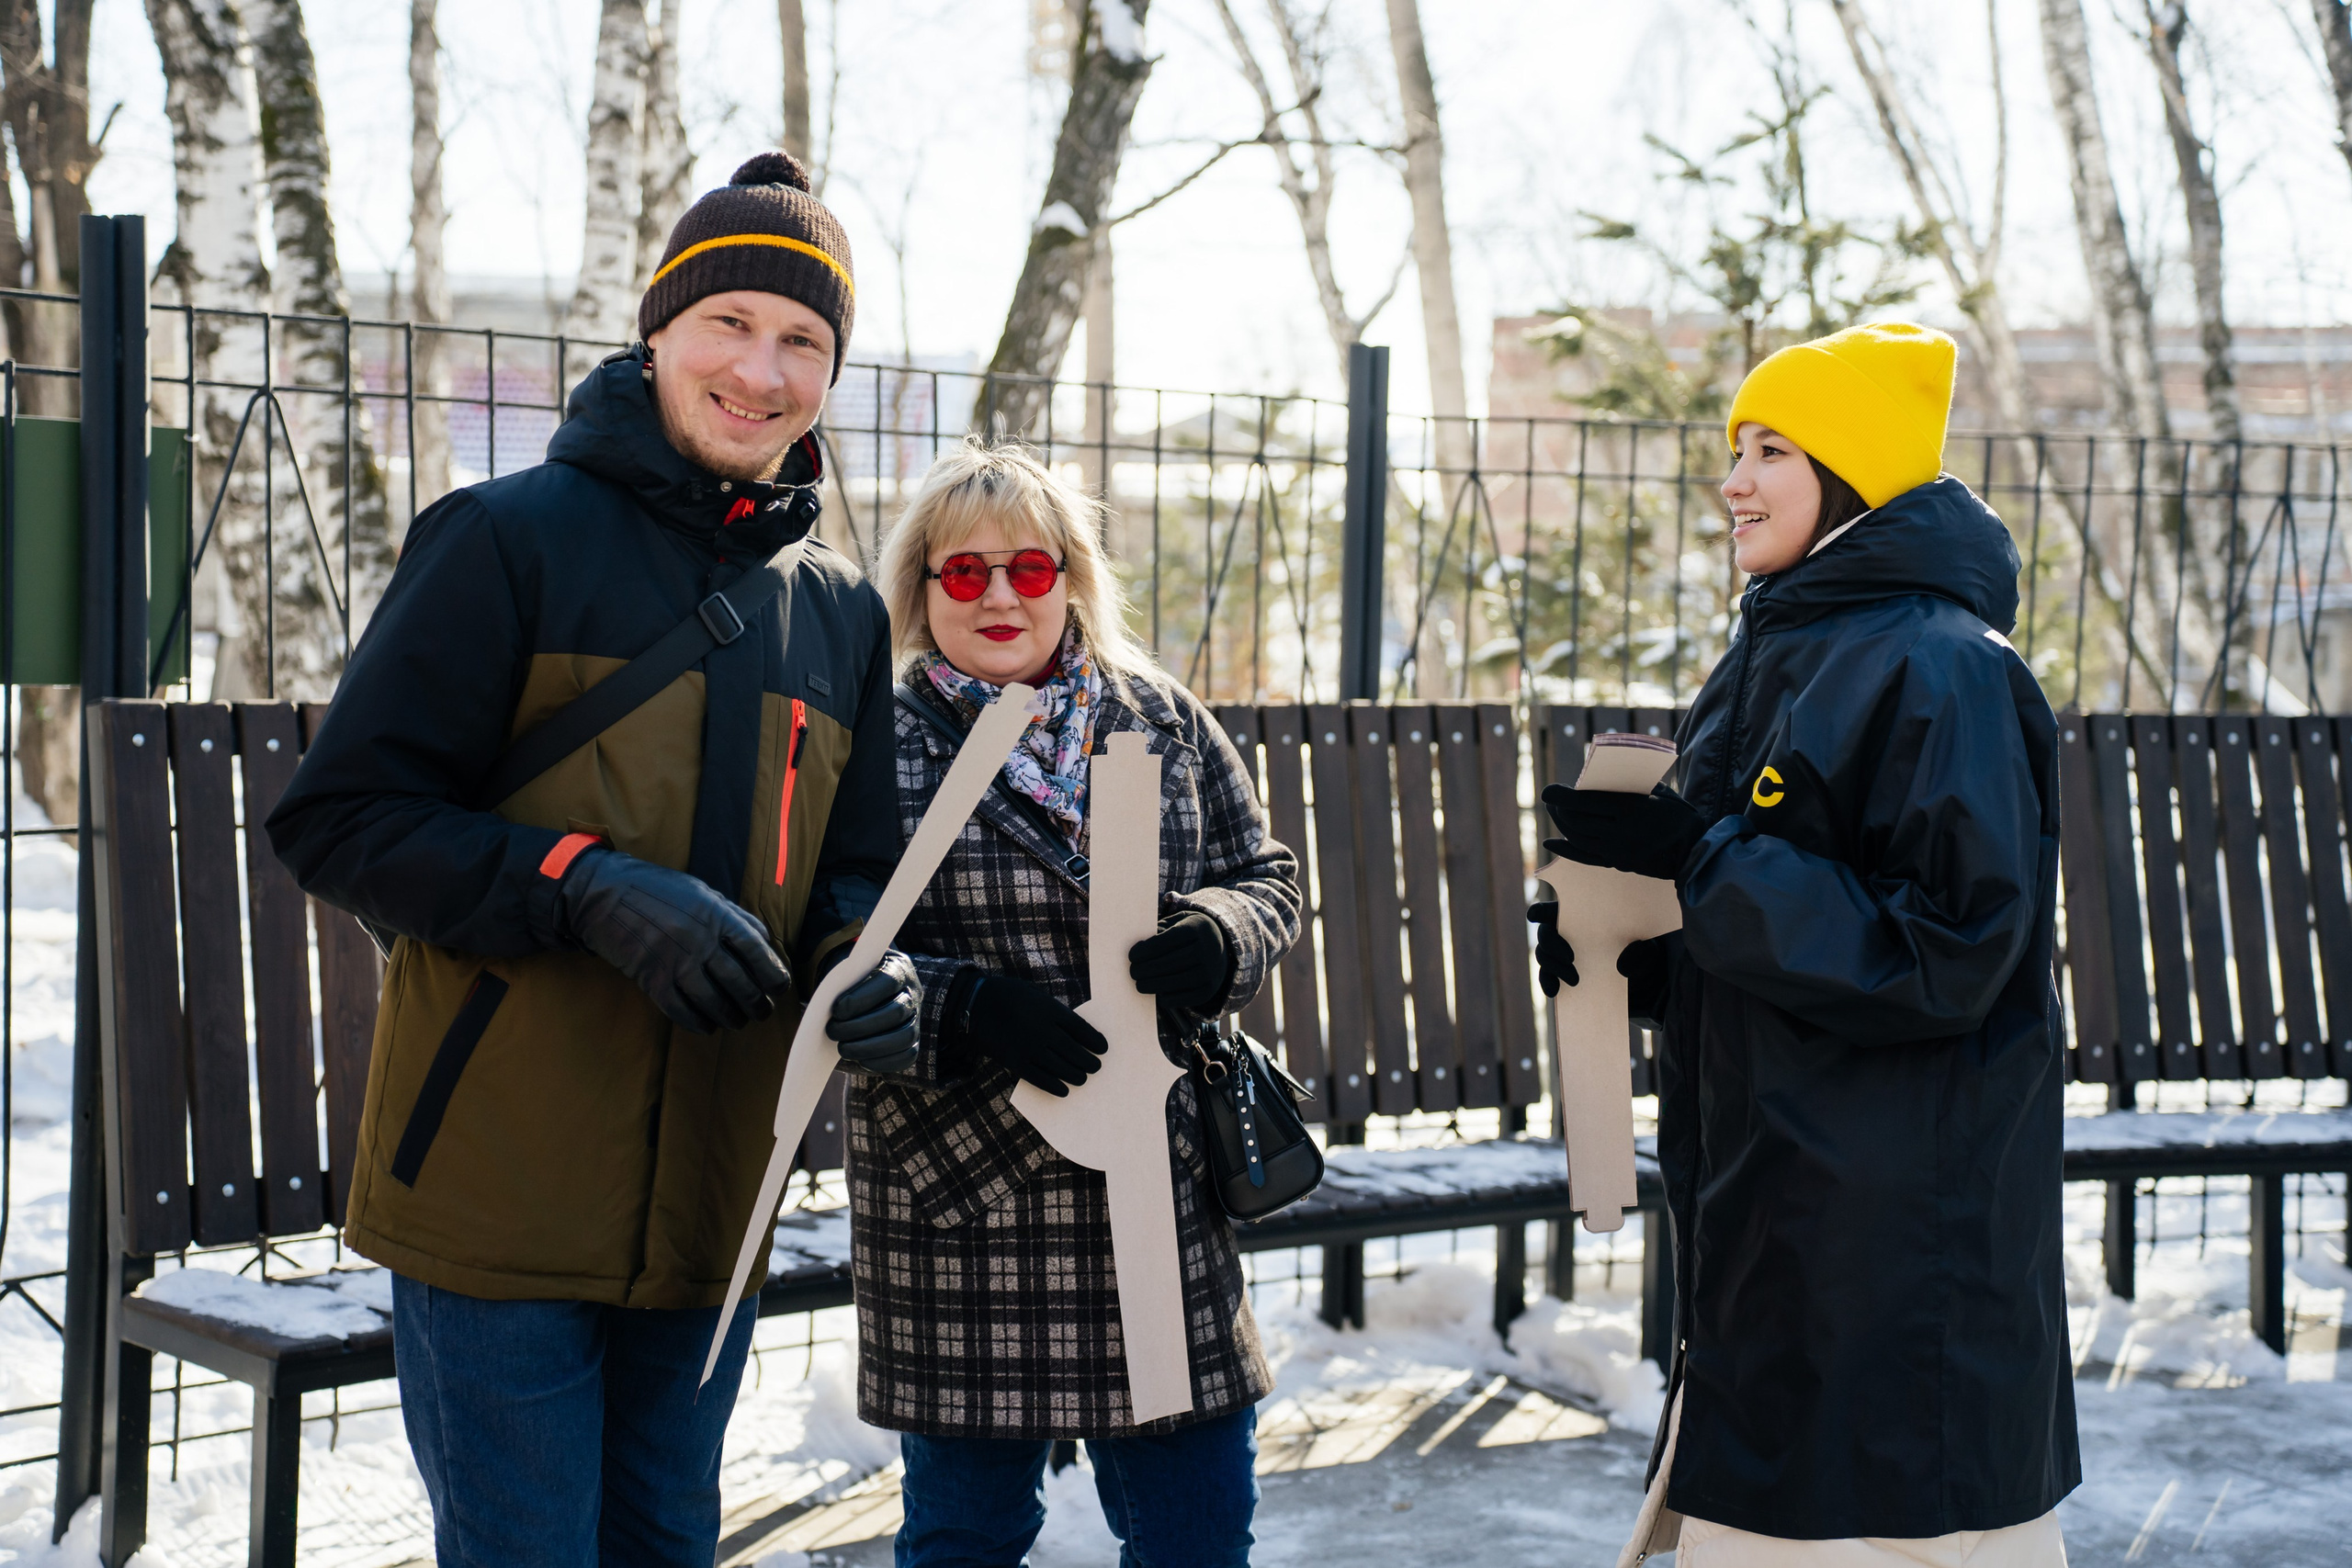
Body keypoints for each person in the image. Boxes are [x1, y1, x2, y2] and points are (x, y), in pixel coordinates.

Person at [267, 151, 925, 1568]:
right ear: (656, 334)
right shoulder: (503, 541)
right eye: (729, 324)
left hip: (713, 1192)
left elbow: (857, 869)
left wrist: (875, 965)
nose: (762, 370)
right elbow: (343, 819)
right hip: (499, 1188)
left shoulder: (841, 615)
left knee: (668, 1542)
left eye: (803, 340)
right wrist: (585, 884)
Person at [1532, 322, 2078, 1566]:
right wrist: (1621, 951)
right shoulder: (1778, 653)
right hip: (1789, 1199)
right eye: (1735, 447)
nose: (1733, 479)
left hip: (1891, 1228)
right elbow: (1770, 929)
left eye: (1771, 447)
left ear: (1854, 469)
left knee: (1860, 1525)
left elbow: (1952, 949)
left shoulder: (1944, 670)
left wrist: (1700, 860)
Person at [848, 439, 1301, 1567]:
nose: (1000, 595)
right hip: (960, 1192)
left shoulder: (1162, 718)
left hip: (1155, 1183)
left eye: (1029, 568)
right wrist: (963, 1010)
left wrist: (1220, 936)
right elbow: (831, 945)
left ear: (1071, 577)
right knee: (965, 1531)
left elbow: (1271, 877)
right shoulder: (876, 743)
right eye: (964, 574)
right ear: (920, 592)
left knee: (1196, 1528)